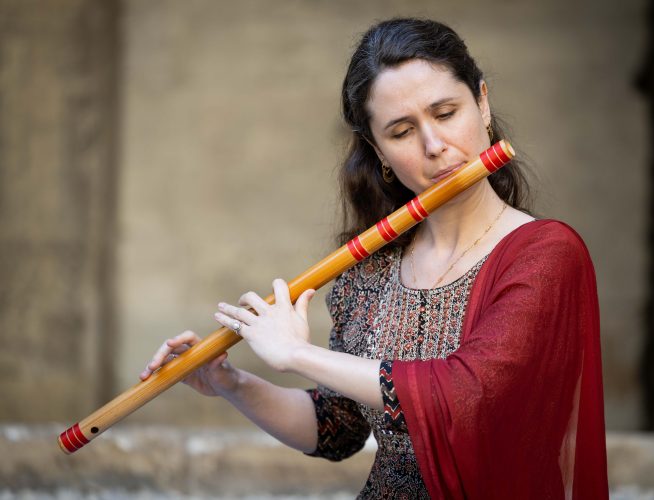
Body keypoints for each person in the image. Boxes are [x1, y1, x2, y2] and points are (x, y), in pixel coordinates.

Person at [140, 18, 609, 499]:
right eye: (402, 132)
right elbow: (336, 429)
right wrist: (230, 381)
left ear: (482, 102)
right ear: (378, 149)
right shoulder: (370, 271)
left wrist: (299, 354)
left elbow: (466, 397)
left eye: (446, 113)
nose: (434, 146)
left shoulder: (546, 254)